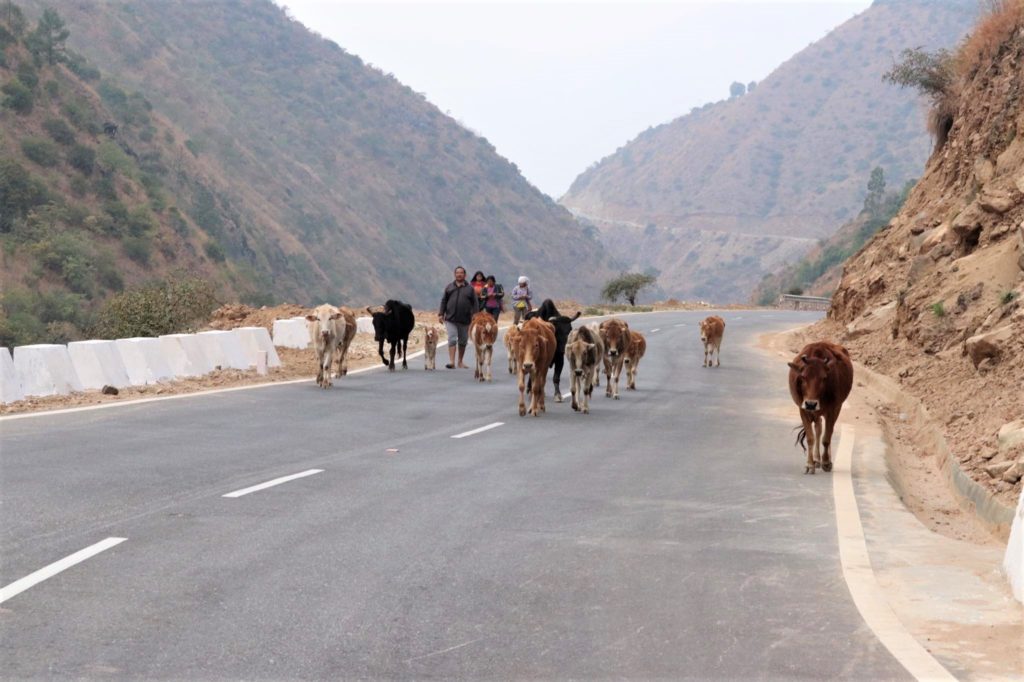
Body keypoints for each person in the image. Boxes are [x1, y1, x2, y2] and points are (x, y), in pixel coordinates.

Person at [439, 266, 478, 369]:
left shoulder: (470, 289)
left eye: (461, 273)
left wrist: (475, 315)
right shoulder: (449, 287)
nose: (459, 274)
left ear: (465, 275)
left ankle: (460, 361)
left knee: (463, 341)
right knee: (452, 339)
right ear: (454, 274)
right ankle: (452, 362)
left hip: (465, 320)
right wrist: (440, 314)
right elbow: (444, 301)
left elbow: (475, 303)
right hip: (451, 318)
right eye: (457, 273)